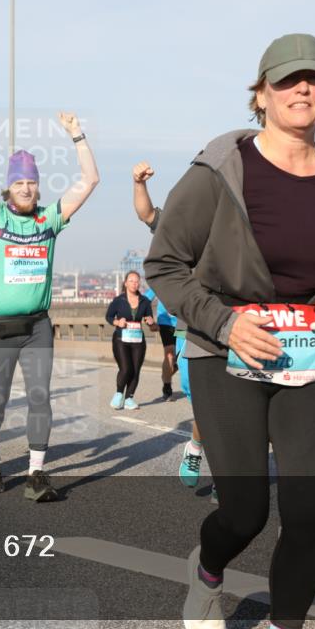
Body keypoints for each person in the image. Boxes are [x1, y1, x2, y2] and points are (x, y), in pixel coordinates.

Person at [143, 34, 315, 629]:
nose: (301, 88)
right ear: (261, 94)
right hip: (228, 355)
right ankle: (207, 573)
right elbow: (165, 266)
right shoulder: (218, 173)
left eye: (314, 79)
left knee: (307, 518)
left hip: (308, 360)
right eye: (286, 79)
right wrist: (226, 323)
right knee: (246, 513)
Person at [0, 98, 99, 501]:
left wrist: (77, 135)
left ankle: (36, 473)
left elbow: (90, 181)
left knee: (39, 397)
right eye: (19, 183)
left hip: (36, 327)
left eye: (32, 182)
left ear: (38, 186)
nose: (27, 188)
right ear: (9, 186)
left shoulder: (50, 219)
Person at [133, 161, 204, 489]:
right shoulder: (182, 225)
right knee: (201, 401)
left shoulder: (241, 222)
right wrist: (139, 183)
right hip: (187, 326)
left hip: (233, 325)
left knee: (233, 405)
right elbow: (147, 214)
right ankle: (196, 446)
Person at [105, 271, 154, 411]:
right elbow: (108, 317)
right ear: (125, 283)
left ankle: (129, 399)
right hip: (121, 339)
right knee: (126, 368)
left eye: (137, 281)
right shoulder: (118, 300)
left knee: (136, 370)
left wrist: (151, 321)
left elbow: (151, 322)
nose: (134, 283)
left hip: (138, 341)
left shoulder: (145, 301)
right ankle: (119, 393)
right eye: (131, 281)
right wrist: (117, 322)